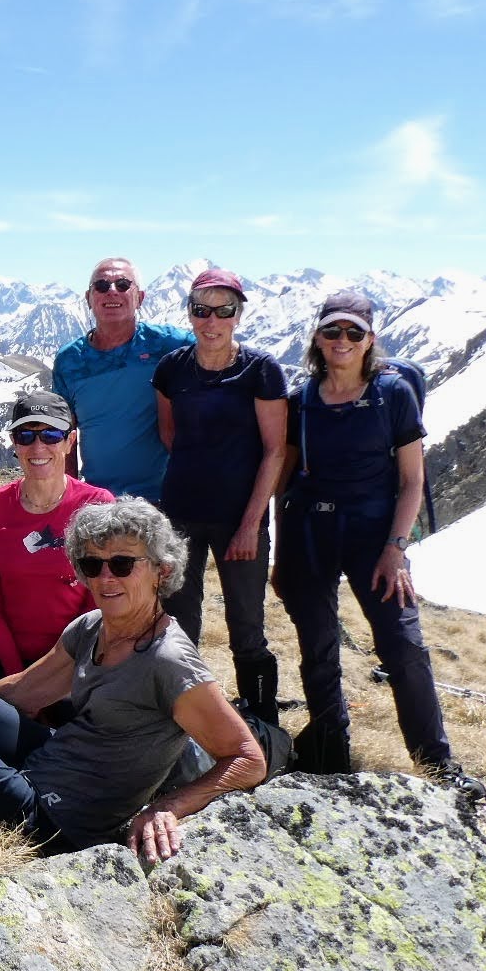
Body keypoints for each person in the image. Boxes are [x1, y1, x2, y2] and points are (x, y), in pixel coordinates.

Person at [0, 498, 267, 860]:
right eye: (92, 565)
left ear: (160, 571)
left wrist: (168, 807)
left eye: (122, 564)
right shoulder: (93, 626)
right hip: (46, 758)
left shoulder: (169, 660)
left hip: (54, 818)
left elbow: (247, 759)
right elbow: (21, 692)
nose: (105, 578)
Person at [274, 290, 485, 800]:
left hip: (375, 538)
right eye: (332, 331)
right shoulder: (302, 399)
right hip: (309, 532)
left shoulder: (394, 394)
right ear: (318, 338)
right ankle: (330, 750)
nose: (342, 340)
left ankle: (436, 763)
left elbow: (412, 480)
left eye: (354, 332)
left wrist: (397, 548)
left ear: (370, 339)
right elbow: (286, 478)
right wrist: (281, 552)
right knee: (317, 645)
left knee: (403, 645)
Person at [152, 267, 286, 723]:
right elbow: (170, 434)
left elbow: (274, 451)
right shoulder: (172, 369)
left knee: (246, 625)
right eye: (201, 310)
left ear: (238, 314)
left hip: (239, 518)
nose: (212, 321)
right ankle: (186, 716)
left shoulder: (261, 370)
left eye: (224, 310)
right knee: (179, 621)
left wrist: (250, 524)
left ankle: (262, 720)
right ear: (190, 313)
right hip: (181, 514)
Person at [0, 391, 116, 679]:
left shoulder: (97, 504)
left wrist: (61, 673)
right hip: (9, 662)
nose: (38, 447)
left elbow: (98, 600)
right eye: (26, 436)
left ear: (69, 441)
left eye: (51, 435)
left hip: (79, 662)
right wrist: (18, 679)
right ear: (14, 443)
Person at [52, 257, 195, 499]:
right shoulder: (69, 361)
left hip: (164, 499)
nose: (112, 291)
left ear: (140, 297)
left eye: (123, 284)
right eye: (101, 286)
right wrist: (69, 498)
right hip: (99, 501)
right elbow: (65, 436)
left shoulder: (169, 345)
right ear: (88, 298)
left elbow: (216, 346)